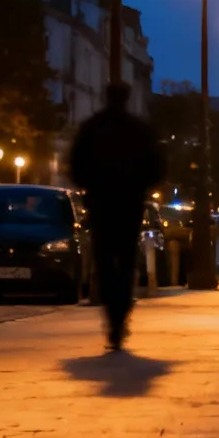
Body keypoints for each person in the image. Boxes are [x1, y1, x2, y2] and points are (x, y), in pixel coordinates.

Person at [71, 82, 164, 351]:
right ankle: (120, 316)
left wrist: (89, 187)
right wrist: (142, 187)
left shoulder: (92, 128)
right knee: (125, 261)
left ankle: (113, 316)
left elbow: (76, 164)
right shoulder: (139, 130)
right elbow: (157, 166)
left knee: (104, 260)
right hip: (130, 203)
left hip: (101, 203)